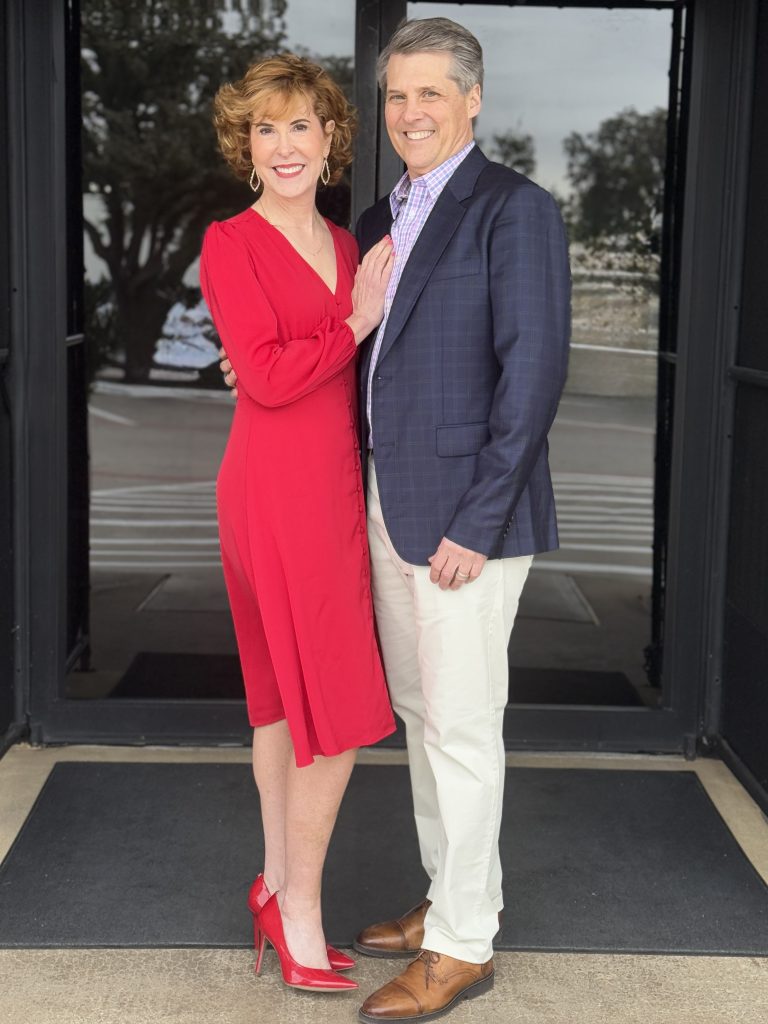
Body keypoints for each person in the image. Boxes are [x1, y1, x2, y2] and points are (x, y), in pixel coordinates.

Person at [221, 17, 570, 1022]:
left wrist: (481, 517)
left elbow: (534, 375)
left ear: (472, 101)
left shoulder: (515, 210)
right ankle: (453, 896)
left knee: (461, 727)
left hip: (467, 520)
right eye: (396, 96)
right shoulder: (376, 220)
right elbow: (336, 343)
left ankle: (465, 945)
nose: (411, 112)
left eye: (431, 93)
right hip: (380, 507)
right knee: (424, 720)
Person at [199, 53, 396, 995]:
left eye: (299, 127)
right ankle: (302, 910)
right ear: (247, 144)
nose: (283, 145)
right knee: (340, 711)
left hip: (330, 491)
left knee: (283, 702)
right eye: (264, 128)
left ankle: (277, 887)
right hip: (271, 492)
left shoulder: (351, 246)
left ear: (330, 141)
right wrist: (352, 325)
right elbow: (272, 378)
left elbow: (330, 377)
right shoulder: (228, 242)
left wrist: (346, 329)